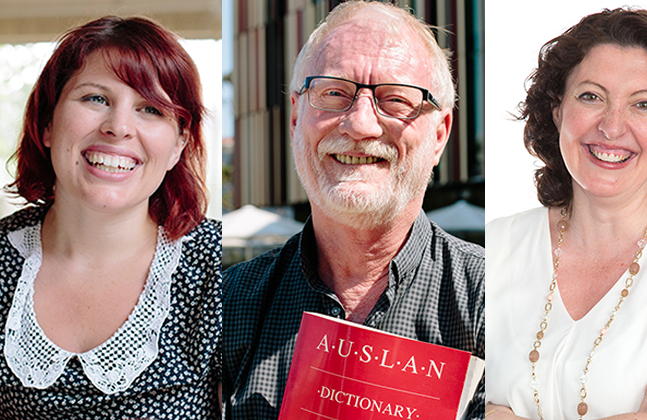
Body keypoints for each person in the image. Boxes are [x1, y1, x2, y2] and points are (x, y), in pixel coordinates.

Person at [222, 1, 484, 419]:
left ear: (439, 135)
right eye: (333, 93)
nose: (360, 125)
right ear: (295, 119)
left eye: (396, 100)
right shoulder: (224, 307)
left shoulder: (497, 302)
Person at [485, 7, 647, 420]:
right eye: (591, 96)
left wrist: (500, 412)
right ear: (558, 110)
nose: (612, 128)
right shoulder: (496, 246)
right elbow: (440, 403)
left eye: (644, 105)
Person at [0, 16, 221, 418]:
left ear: (178, 146)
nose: (119, 127)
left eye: (150, 109)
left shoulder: (219, 268)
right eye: (95, 99)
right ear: (47, 123)